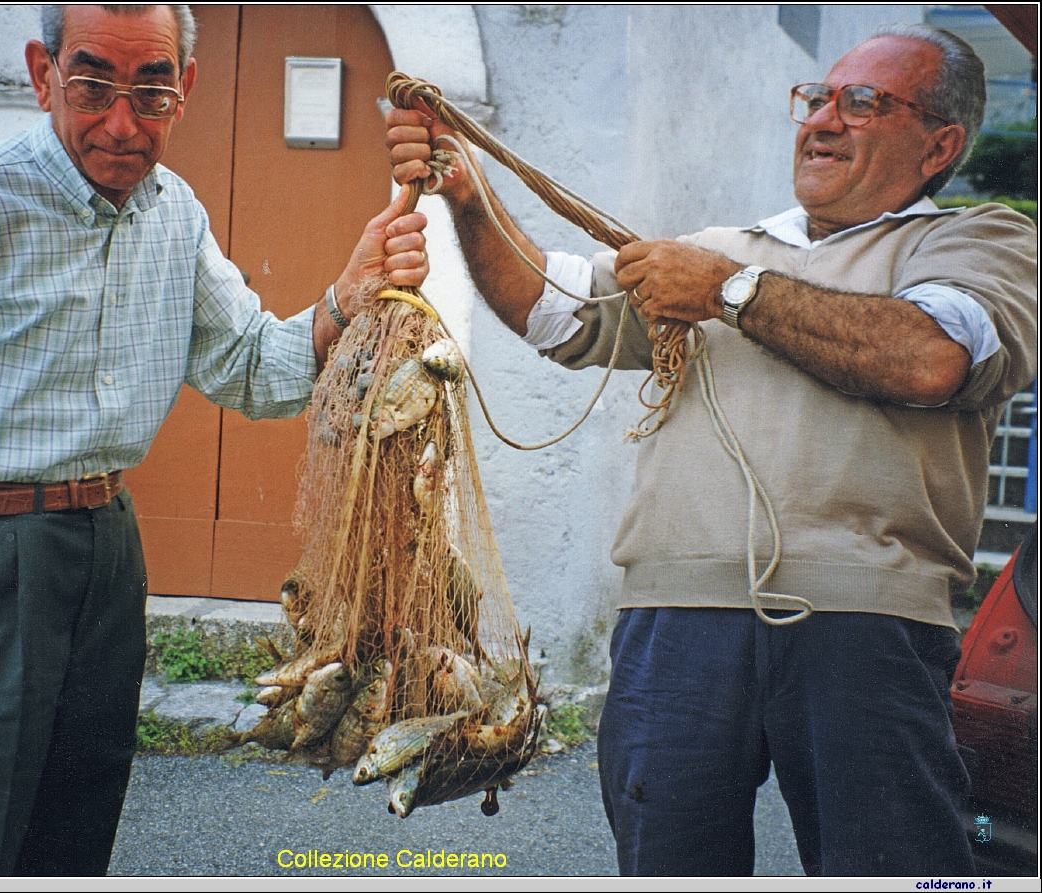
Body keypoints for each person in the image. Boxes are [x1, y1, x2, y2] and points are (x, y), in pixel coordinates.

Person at [0, 4, 429, 877]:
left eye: (149, 91)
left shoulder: (173, 214)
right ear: (42, 75)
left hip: (106, 552)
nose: (120, 122)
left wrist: (349, 288)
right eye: (93, 83)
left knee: (72, 835)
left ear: (183, 89)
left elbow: (256, 367)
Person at [386, 23, 1036, 876]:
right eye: (817, 99)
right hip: (673, 624)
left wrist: (728, 293)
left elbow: (928, 356)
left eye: (864, 103)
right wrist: (468, 199)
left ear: (940, 143)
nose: (824, 121)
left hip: (864, 628)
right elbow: (552, 308)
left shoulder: (974, 243)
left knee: (890, 864)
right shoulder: (722, 247)